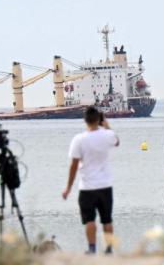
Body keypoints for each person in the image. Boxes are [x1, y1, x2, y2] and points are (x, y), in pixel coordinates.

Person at [62, 106, 119, 255]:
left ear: (85, 120)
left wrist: (68, 188)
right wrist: (105, 123)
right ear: (98, 119)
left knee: (89, 220)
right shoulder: (107, 135)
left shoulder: (79, 140)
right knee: (107, 220)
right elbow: (116, 141)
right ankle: (109, 248)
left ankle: (92, 248)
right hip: (105, 185)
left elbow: (73, 166)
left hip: (87, 187)